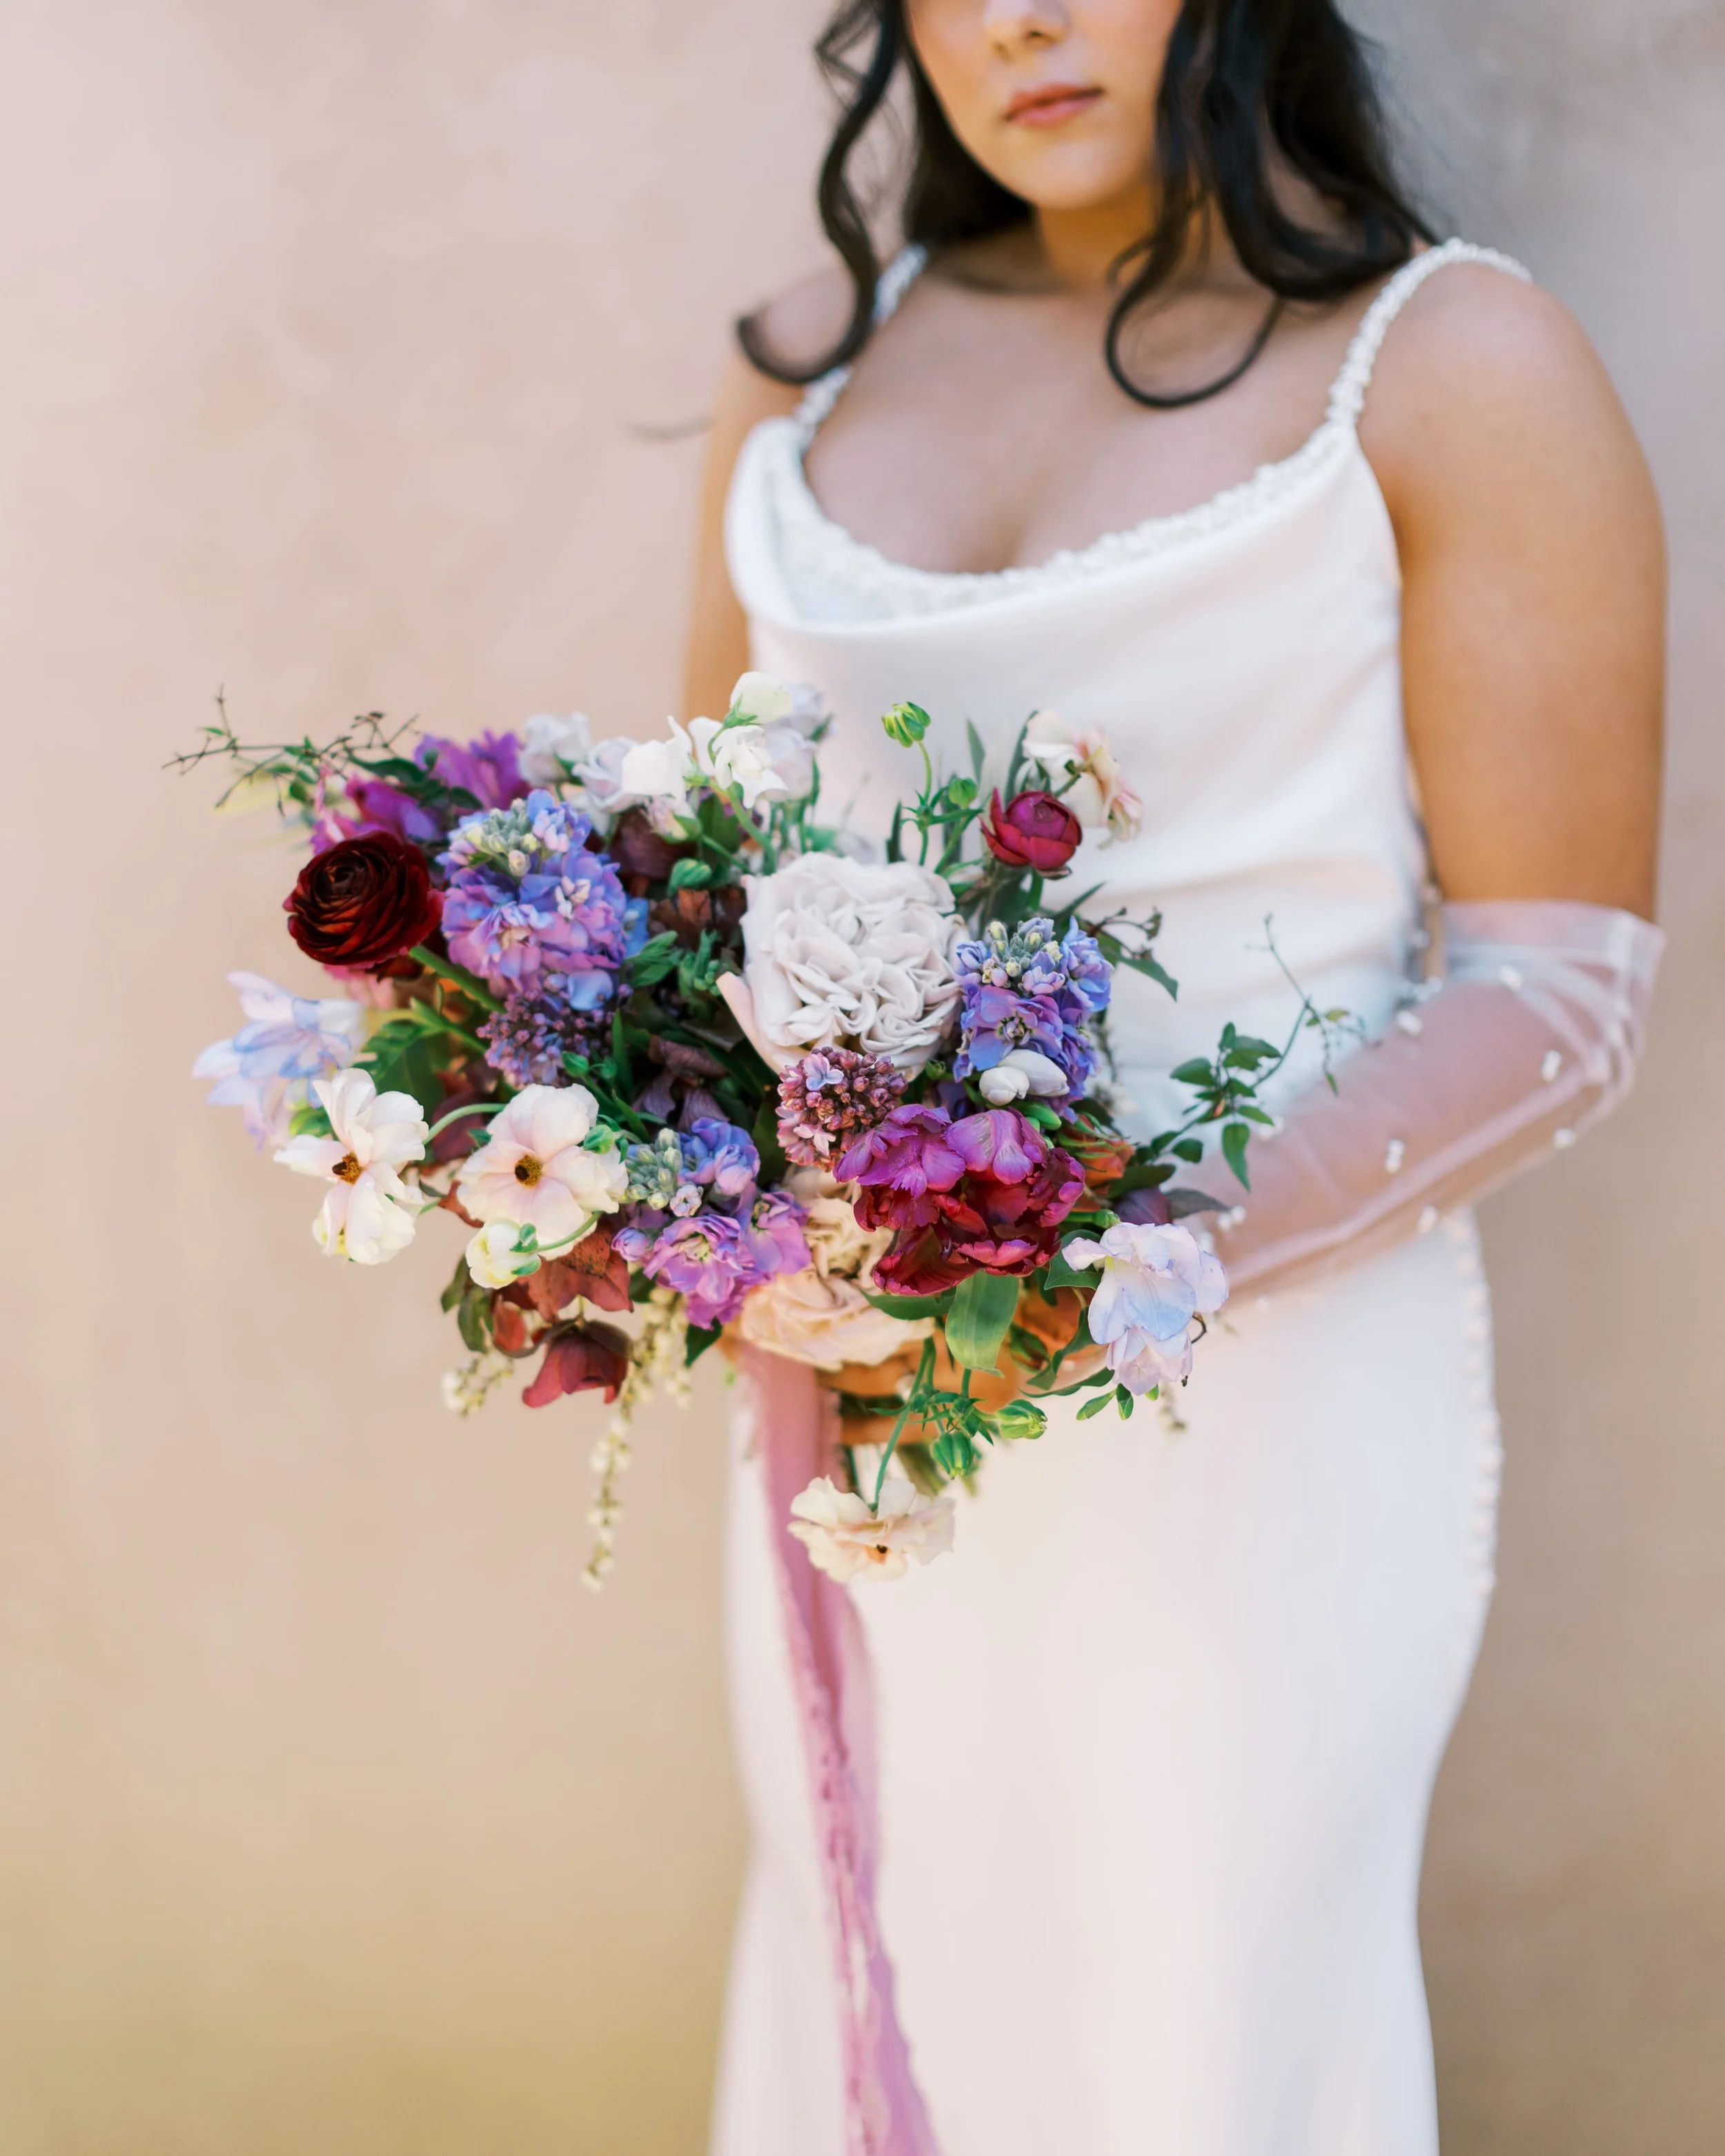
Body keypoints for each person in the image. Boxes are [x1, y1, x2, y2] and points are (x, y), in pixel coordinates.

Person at [682, 5, 1664, 2151]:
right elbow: (699, 900)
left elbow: (1560, 990)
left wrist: (1115, 1261)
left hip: (1252, 1421)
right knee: (875, 1989)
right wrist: (665, 1194)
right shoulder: (805, 367)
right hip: (862, 1405)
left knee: (1192, 2035)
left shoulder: (1447, 363)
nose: (1017, 19)